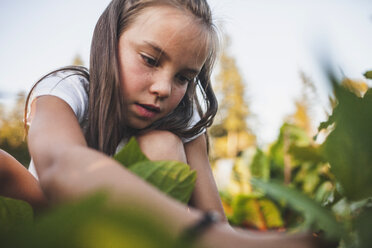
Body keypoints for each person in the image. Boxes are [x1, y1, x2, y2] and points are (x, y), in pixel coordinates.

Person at [0, 0, 328, 247]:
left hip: (134, 235)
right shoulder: (66, 89)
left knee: (163, 144)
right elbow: (61, 165)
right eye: (151, 60)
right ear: (109, 42)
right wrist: (203, 235)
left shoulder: (183, 117)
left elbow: (216, 219)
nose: (164, 89)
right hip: (56, 222)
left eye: (184, 77)